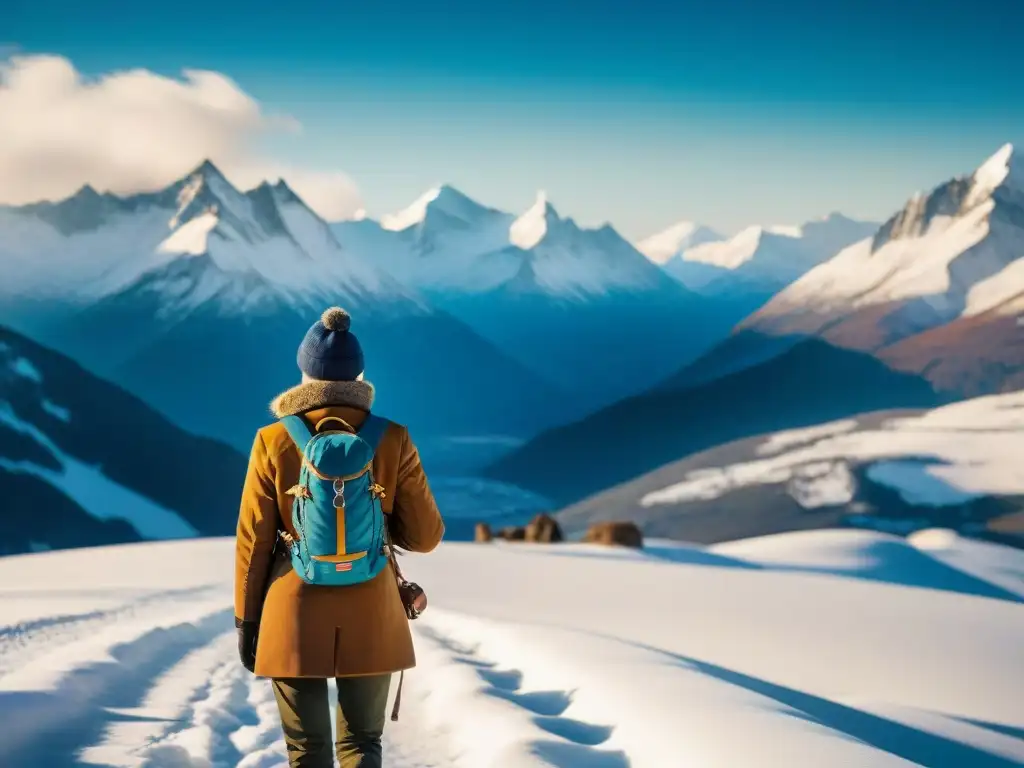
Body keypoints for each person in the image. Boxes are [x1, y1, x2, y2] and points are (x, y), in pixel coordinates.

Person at [234, 306, 444, 768]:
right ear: (360, 375)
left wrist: (248, 622)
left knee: (307, 752)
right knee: (362, 746)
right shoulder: (393, 437)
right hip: (373, 606)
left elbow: (254, 542)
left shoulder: (272, 440)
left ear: (304, 373)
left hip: (292, 607)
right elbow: (426, 536)